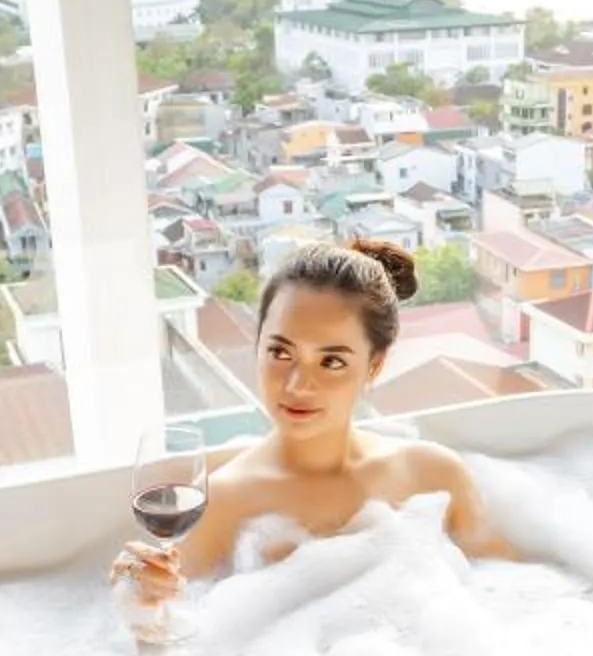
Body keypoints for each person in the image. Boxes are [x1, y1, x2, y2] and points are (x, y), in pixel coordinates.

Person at [110, 237, 512, 620]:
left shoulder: (434, 477)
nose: (297, 385)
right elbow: (172, 646)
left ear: (374, 366)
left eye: (331, 361)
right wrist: (141, 602)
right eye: (280, 352)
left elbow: (521, 599)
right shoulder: (223, 504)